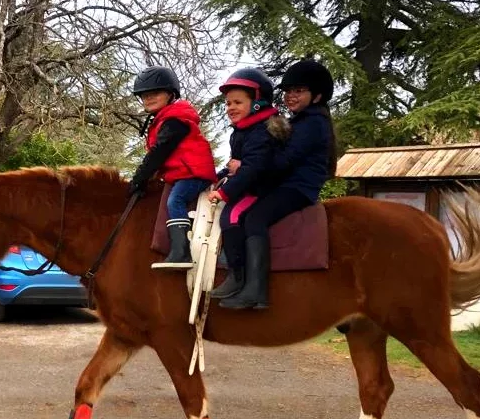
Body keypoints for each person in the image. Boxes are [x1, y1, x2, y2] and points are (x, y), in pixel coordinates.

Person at [215, 59, 336, 310]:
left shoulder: (313, 123)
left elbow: (282, 161)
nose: (291, 96)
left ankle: (256, 290)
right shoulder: (300, 120)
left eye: (299, 91)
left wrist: (244, 167)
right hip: (286, 183)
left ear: (317, 96)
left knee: (255, 217)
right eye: (288, 91)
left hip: (297, 188)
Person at [207, 68, 290, 308]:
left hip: (261, 188)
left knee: (231, 216)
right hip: (251, 184)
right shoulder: (243, 131)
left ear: (257, 103)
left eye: (237, 102)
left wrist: (223, 192)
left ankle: (239, 275)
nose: (230, 107)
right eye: (228, 103)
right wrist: (216, 177)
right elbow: (235, 164)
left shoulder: (261, 131)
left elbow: (252, 169)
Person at [128, 66, 217, 268]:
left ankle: (181, 251)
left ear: (170, 94)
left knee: (175, 200)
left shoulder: (175, 121)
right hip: (180, 174)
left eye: (155, 93)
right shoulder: (163, 120)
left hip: (193, 174)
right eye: (144, 95)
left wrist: (138, 179)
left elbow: (159, 153)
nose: (148, 98)